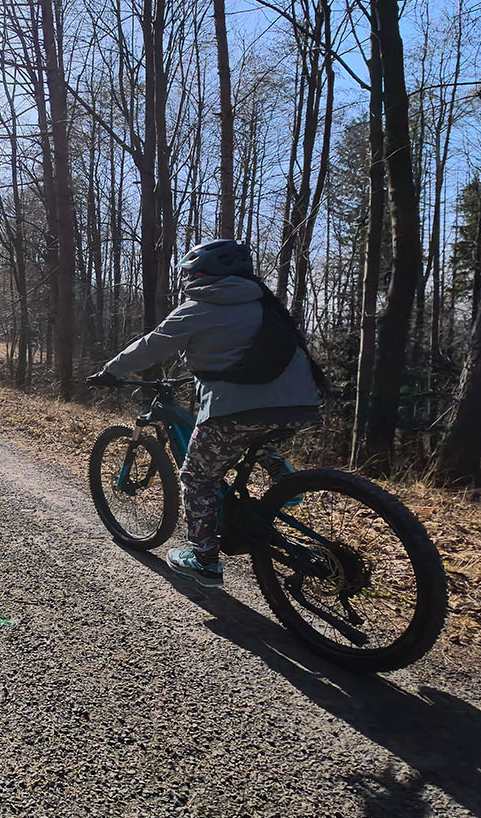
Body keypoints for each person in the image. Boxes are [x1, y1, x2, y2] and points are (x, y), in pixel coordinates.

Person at [87, 239, 322, 587]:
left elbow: (152, 345)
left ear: (198, 275)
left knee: (198, 477)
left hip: (237, 410)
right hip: (300, 405)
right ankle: (282, 474)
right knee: (251, 431)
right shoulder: (264, 303)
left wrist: (110, 373)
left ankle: (204, 560)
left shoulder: (200, 306)